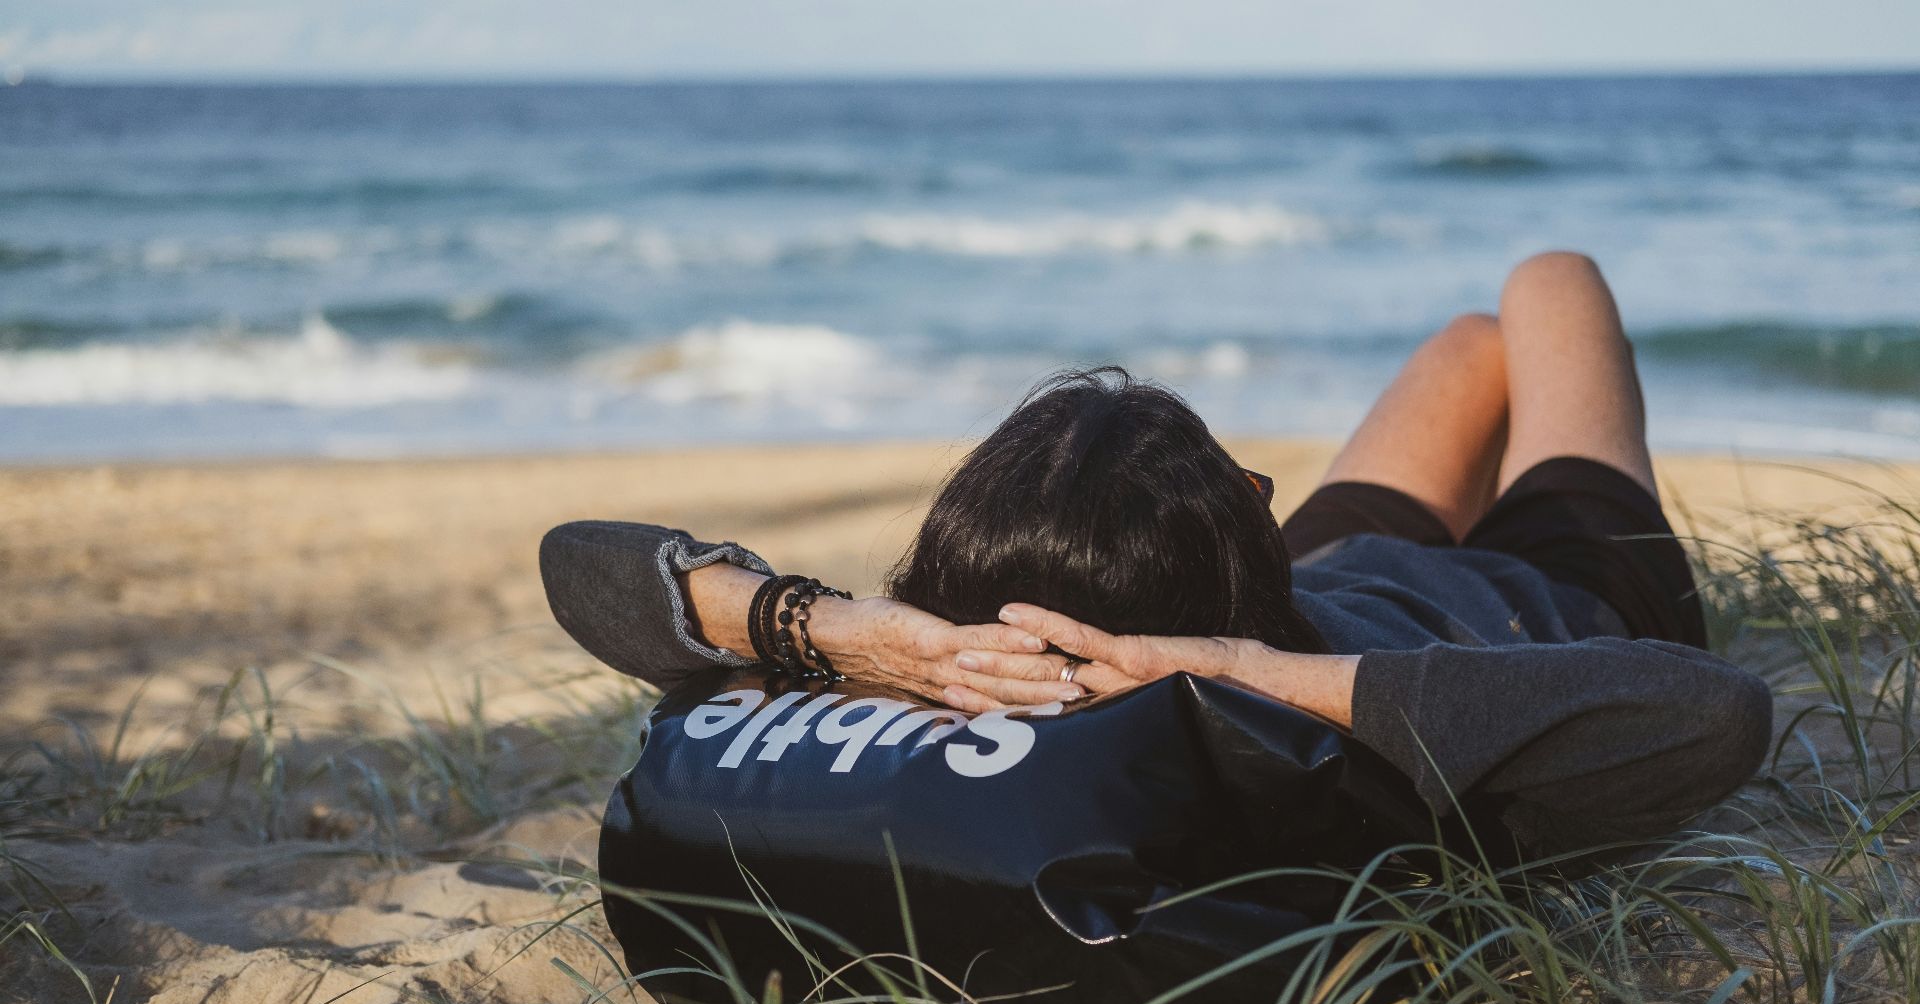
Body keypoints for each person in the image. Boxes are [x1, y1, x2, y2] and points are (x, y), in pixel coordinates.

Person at [542, 251, 1772, 856]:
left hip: (1319, 575)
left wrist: (852, 632)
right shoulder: (1305, 724)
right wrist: (1250, 664)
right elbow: (1718, 715)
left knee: (1466, 344)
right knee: (1547, 284)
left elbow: (577, 562)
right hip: (1538, 586)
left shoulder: (953, 671)